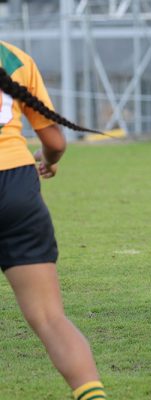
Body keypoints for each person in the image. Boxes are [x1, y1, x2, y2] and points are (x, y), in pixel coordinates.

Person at [0, 41, 107, 399]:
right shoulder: (15, 58)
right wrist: (48, 158)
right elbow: (55, 141)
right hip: (16, 184)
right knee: (49, 318)